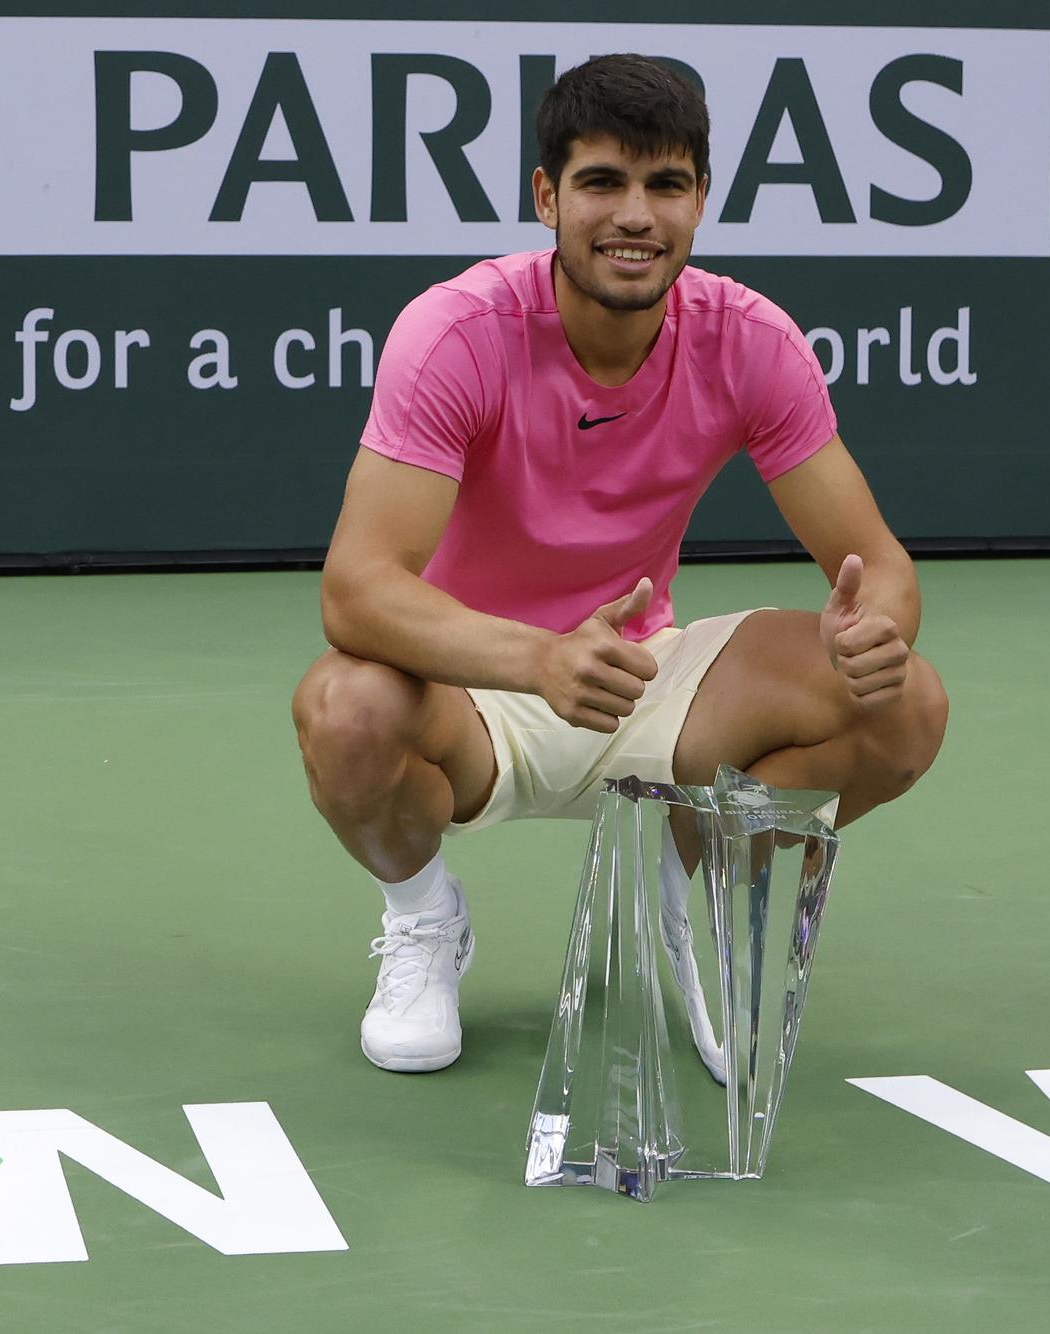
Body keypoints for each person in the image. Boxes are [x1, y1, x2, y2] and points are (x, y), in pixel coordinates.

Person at [291, 54, 950, 1074]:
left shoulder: (748, 339)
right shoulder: (457, 332)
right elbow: (356, 588)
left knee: (905, 706)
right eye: (602, 182)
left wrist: (877, 633)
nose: (633, 215)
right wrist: (537, 658)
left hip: (646, 679)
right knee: (344, 709)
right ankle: (421, 918)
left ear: (698, 200)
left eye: (665, 185)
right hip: (472, 690)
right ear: (547, 196)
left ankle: (664, 887)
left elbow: (881, 567)